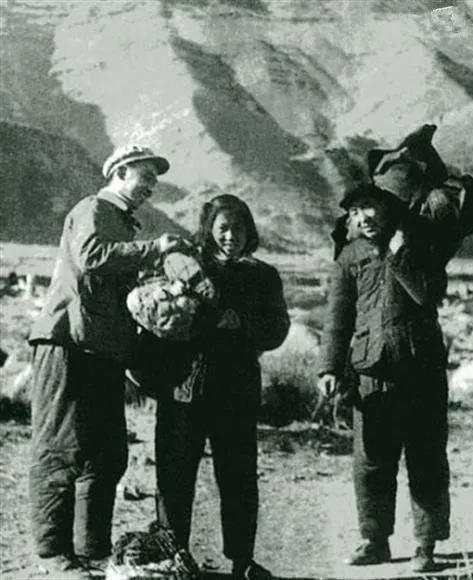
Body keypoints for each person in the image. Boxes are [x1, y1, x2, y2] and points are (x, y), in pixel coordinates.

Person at [28, 145, 187, 578]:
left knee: (108, 453)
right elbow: (91, 256)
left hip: (101, 349)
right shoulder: (93, 209)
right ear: (119, 171)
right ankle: (53, 552)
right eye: (145, 176)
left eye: (154, 180)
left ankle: (92, 549)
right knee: (61, 450)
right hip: (66, 342)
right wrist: (155, 249)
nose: (151, 186)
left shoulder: (121, 221)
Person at [154, 194, 290, 580]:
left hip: (236, 391)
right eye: (223, 228)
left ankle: (242, 561)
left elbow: (277, 329)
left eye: (239, 228)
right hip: (184, 387)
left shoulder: (263, 276)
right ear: (208, 230)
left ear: (250, 231)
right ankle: (172, 557)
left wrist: (242, 323)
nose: (232, 236)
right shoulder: (186, 267)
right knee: (174, 476)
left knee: (238, 476)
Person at [317, 183, 451, 572]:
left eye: (368, 207)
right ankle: (375, 540)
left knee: (426, 459)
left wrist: (398, 254)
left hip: (421, 374)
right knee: (371, 462)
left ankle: (426, 545)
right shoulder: (349, 256)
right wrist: (329, 367)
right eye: (354, 211)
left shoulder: (420, 246)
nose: (362, 217)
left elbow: (426, 295)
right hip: (370, 375)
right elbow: (337, 317)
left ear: (388, 208)